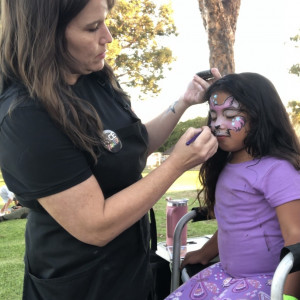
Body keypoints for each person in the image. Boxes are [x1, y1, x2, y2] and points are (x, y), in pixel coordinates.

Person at [0, 0, 220, 299]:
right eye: (92, 27)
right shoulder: (25, 115)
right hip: (80, 282)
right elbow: (95, 225)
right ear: (45, 35)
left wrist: (182, 103)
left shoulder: (93, 76)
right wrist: (176, 164)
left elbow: (129, 147)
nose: (108, 36)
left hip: (131, 267)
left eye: (105, 21)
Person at [166, 73, 300, 300]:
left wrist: (288, 297)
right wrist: (206, 252)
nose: (217, 124)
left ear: (261, 117)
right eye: (213, 114)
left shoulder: (278, 170)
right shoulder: (227, 164)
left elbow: (296, 239)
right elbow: (235, 222)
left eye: (230, 115)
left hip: (267, 282)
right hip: (228, 276)